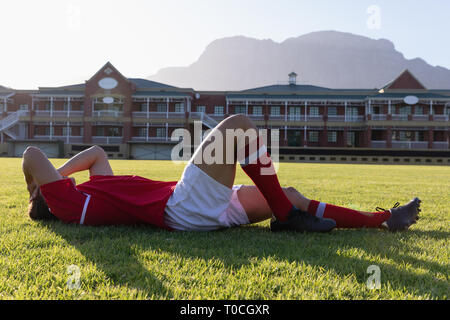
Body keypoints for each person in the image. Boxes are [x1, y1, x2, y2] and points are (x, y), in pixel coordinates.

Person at [22, 115, 421, 233]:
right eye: (51, 186)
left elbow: (95, 153)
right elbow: (31, 154)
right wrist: (35, 189)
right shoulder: (70, 205)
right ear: (49, 197)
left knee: (292, 193)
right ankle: (285, 216)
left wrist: (56, 174)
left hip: (206, 210)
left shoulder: (92, 192)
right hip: (182, 207)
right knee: (237, 128)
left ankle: (382, 220)